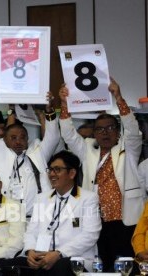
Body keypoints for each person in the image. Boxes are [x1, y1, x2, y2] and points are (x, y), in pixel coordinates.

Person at [59, 78, 145, 271]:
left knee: (129, 266)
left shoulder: (128, 147)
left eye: (110, 128)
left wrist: (118, 97)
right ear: (94, 133)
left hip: (126, 218)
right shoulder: (88, 149)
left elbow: (132, 130)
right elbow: (68, 135)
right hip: (97, 219)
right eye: (100, 129)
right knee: (102, 266)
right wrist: (64, 104)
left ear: (117, 130)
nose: (105, 133)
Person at [0, 89, 60, 216]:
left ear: (27, 139)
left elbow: (53, 137)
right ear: (5, 139)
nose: (18, 141)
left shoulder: (38, 152)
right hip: (4, 218)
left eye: (22, 137)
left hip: (36, 219)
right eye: (13, 138)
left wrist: (49, 110)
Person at [21, 151, 101, 275]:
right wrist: (30, 251)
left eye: (57, 170)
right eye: (50, 170)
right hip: (42, 256)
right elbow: (31, 231)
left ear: (72, 173)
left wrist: (59, 253)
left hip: (74, 259)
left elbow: (90, 235)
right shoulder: (41, 198)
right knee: (14, 265)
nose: (52, 174)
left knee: (59, 267)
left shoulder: (88, 198)